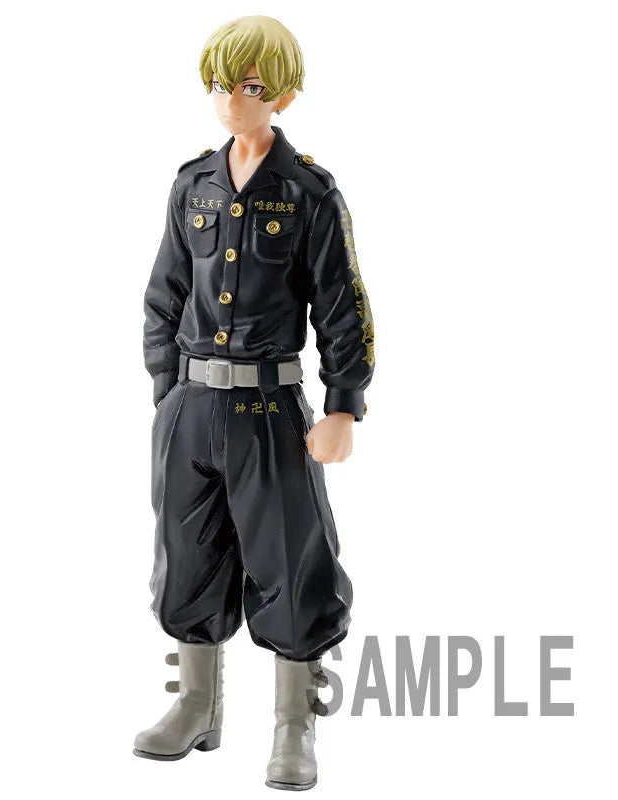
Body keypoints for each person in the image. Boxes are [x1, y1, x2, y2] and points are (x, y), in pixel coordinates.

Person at [134, 16, 374, 791]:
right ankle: (195, 704)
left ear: (283, 96)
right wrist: (168, 392)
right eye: (218, 84)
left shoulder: (308, 193)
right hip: (192, 408)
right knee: (186, 553)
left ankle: (294, 722)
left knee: (290, 559)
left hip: (270, 411)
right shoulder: (193, 185)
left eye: (246, 86)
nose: (229, 100)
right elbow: (165, 293)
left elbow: (342, 305)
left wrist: (342, 405)